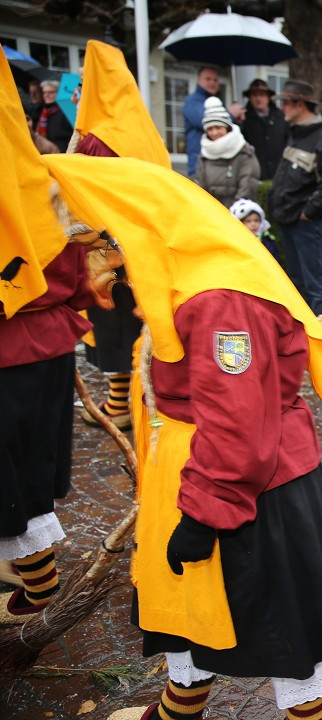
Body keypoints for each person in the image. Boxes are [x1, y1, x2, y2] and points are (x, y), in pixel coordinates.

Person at [43, 152, 322, 720]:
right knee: (191, 611)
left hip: (249, 492)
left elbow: (239, 423)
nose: (105, 263)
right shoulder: (184, 277)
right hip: (206, 481)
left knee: (284, 634)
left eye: (105, 247)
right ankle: (179, 707)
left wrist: (206, 512)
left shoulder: (218, 299)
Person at [0, 56, 92, 623]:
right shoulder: (45, 173)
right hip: (51, 338)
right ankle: (38, 577)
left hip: (14, 343)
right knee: (32, 465)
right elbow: (80, 268)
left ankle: (39, 582)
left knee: (14, 475)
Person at [70, 39, 172, 432]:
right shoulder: (141, 131)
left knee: (111, 324)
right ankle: (138, 395)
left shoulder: (97, 140)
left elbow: (85, 196)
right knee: (135, 322)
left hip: (108, 249)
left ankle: (121, 403)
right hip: (144, 245)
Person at [267, 80, 322, 325]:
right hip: (290, 221)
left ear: (300, 105)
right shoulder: (297, 135)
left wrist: (308, 213)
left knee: (315, 285)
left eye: (286, 103)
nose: (282, 108)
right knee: (298, 284)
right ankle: (301, 345)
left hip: (307, 224)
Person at [195, 97, 261, 209]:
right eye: (210, 129)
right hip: (211, 216)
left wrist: (232, 214)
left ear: (227, 127)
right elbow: (199, 190)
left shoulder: (244, 152)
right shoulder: (204, 156)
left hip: (238, 215)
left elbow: (247, 188)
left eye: (218, 127)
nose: (214, 133)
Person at [183, 67, 243, 178]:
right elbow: (205, 122)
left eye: (215, 80)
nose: (212, 82)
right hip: (200, 165)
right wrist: (230, 114)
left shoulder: (218, 103)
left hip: (220, 164)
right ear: (198, 80)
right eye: (208, 79)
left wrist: (237, 121)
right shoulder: (192, 102)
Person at [240, 78, 288, 181]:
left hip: (280, 174)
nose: (258, 99)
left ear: (268, 97)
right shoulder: (244, 119)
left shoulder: (281, 117)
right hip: (255, 175)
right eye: (255, 95)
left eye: (262, 95)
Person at [31, 79, 73, 151]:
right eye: (44, 92)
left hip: (63, 153)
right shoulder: (42, 111)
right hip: (46, 153)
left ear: (58, 93)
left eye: (51, 92)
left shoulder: (66, 111)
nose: (47, 95)